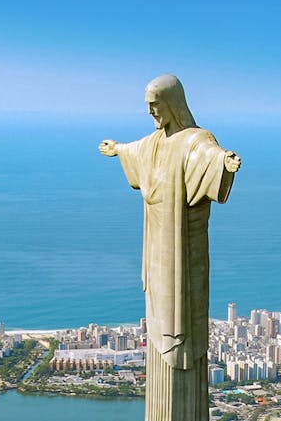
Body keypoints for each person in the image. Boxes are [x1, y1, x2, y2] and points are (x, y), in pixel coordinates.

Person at [99, 74, 240, 421]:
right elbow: (137, 150)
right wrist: (117, 148)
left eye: (156, 106)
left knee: (182, 326)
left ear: (172, 104)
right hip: (157, 253)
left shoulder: (195, 140)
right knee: (160, 322)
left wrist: (225, 163)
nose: (151, 113)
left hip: (183, 253)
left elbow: (209, 156)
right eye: (147, 107)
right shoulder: (153, 143)